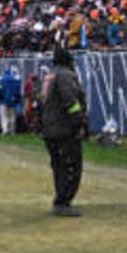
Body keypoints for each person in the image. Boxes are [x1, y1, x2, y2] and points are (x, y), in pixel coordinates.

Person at [37, 47, 88, 216]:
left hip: (49, 128)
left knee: (58, 166)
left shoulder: (49, 76)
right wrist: (79, 121)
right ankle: (63, 202)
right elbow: (70, 101)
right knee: (71, 166)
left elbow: (42, 101)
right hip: (64, 129)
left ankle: (60, 199)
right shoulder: (66, 76)